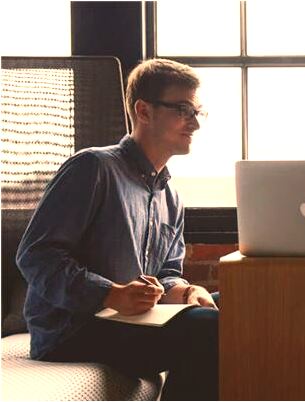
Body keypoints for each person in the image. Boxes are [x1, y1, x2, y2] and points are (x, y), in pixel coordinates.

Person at [16, 58, 219, 400]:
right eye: (184, 110)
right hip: (74, 329)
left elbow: (167, 274)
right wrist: (109, 294)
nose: (195, 123)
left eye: (198, 112)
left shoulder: (170, 196)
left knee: (238, 309)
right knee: (211, 329)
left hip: (132, 321)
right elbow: (36, 256)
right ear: (144, 111)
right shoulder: (92, 167)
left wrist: (185, 291)